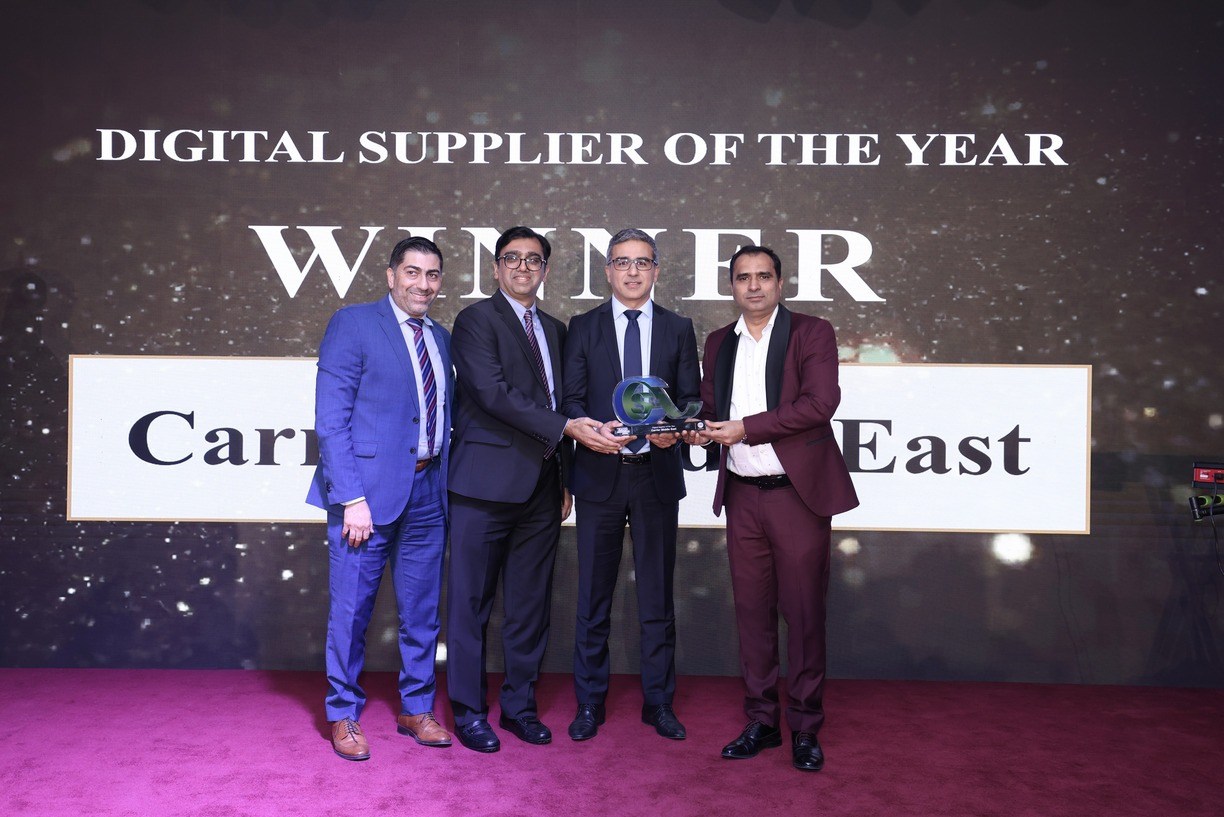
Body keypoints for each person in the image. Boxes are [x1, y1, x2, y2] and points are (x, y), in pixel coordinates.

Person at [446, 226, 619, 753]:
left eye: (533, 259)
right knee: (470, 607)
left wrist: (564, 477)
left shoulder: (556, 329)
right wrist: (566, 428)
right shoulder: (475, 320)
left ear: (545, 270)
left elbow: (562, 403)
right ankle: (469, 712)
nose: (523, 267)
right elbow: (492, 394)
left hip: (543, 491)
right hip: (482, 489)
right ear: (496, 267)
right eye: (512, 258)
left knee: (530, 607)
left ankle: (519, 707)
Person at [694, 245, 859, 773]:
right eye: (743, 277)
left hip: (797, 495)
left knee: (804, 613)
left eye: (763, 276)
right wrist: (692, 430)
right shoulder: (718, 341)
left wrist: (746, 428)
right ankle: (762, 721)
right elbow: (711, 409)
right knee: (752, 613)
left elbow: (819, 404)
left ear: (780, 283)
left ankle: (805, 727)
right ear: (732, 286)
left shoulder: (812, 332)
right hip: (742, 494)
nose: (753, 286)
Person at [307, 236, 454, 761]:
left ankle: (416, 707)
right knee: (351, 613)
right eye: (412, 272)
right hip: (364, 498)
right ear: (391, 276)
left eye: (432, 274)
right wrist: (351, 497)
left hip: (428, 492)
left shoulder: (441, 337)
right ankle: (342, 714)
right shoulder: (353, 323)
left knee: (422, 613)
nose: (422, 284)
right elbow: (331, 420)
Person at [560, 228, 700, 742]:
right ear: (608, 271)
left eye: (642, 262)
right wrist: (589, 427)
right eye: (622, 262)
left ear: (657, 270)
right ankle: (589, 703)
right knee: (593, 597)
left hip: (656, 476)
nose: (633, 271)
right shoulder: (583, 326)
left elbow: (690, 400)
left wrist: (674, 432)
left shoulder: (678, 328)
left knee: (657, 598)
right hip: (599, 475)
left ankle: (659, 703)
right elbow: (570, 400)